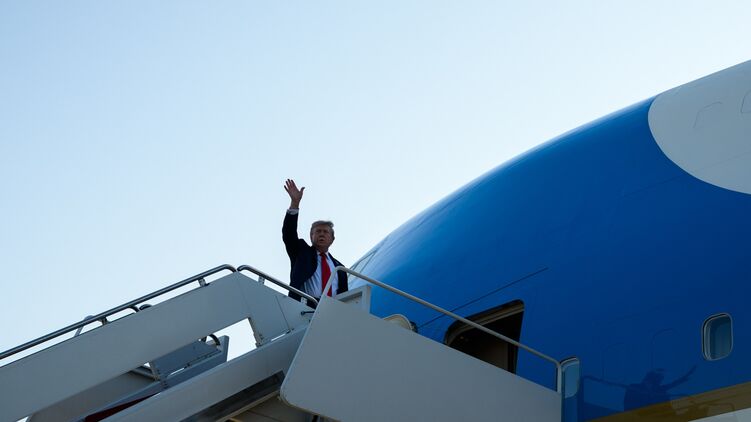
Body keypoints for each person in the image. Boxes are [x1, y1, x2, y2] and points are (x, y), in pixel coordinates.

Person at [282, 179, 348, 304]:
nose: (321, 234)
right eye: (318, 231)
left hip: (331, 310)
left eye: (325, 232)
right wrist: (295, 203)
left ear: (332, 239)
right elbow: (288, 234)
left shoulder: (340, 268)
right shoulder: (301, 252)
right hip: (303, 306)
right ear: (311, 236)